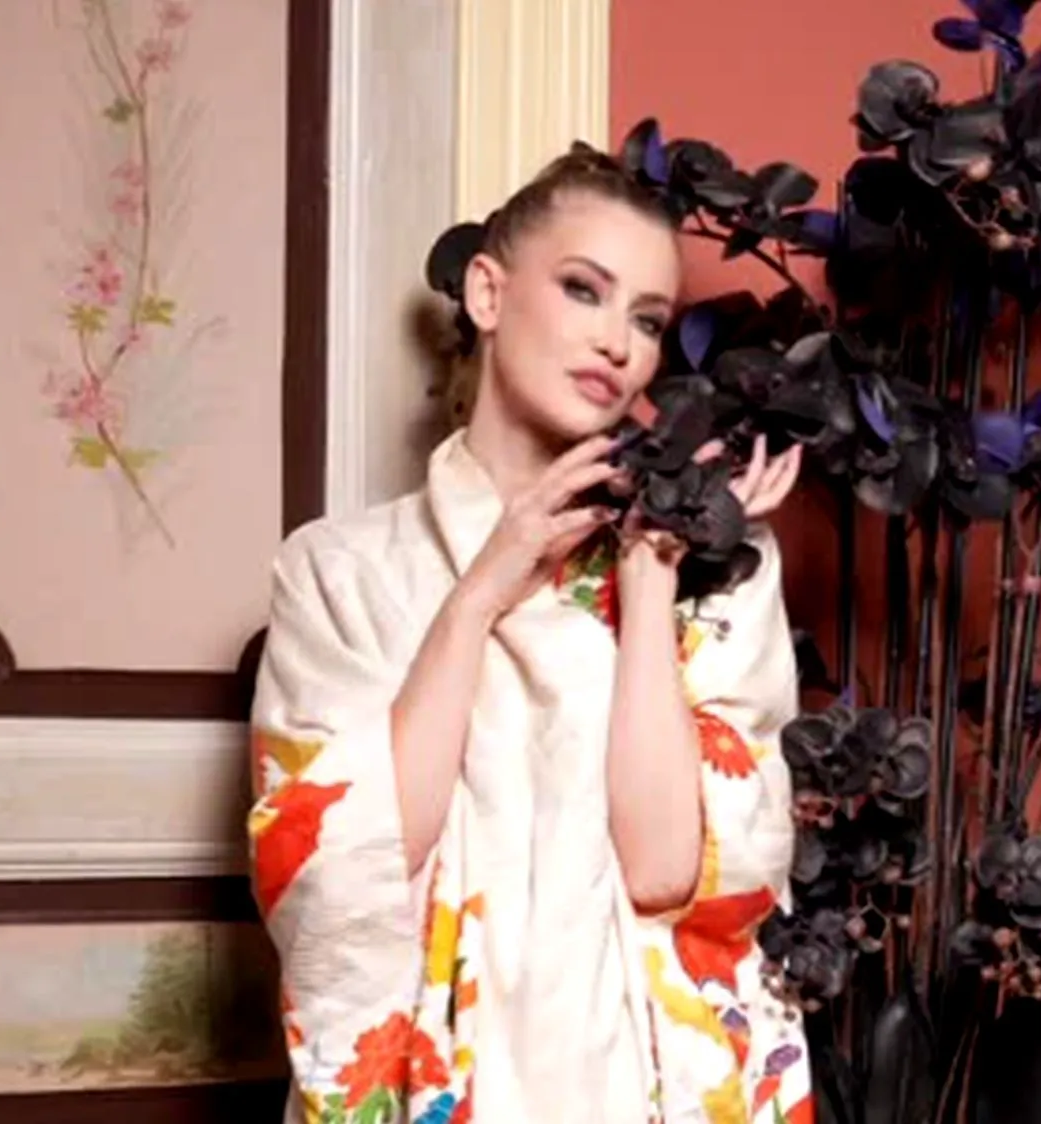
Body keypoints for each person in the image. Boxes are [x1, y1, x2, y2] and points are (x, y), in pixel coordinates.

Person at [246, 145, 813, 1124]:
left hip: (639, 1088)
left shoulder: (714, 576)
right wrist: (479, 595)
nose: (617, 343)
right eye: (583, 289)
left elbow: (668, 873)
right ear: (487, 291)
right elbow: (346, 873)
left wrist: (649, 574)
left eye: (647, 319)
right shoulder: (338, 571)